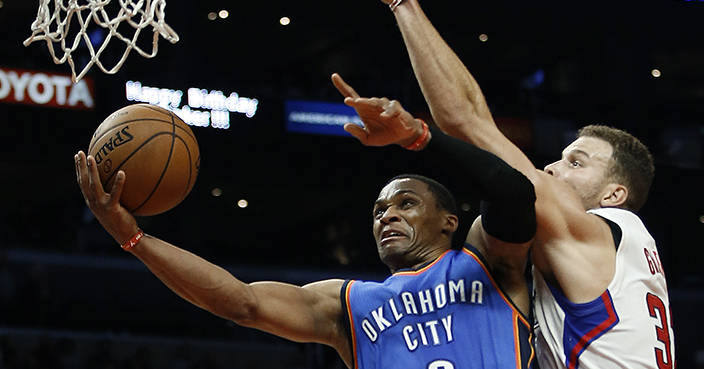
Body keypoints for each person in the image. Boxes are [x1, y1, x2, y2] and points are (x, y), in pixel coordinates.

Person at [74, 80, 537, 368]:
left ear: (450, 221)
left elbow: (515, 192)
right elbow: (242, 302)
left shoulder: (487, 261)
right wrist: (133, 238)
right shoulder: (349, 304)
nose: (388, 215)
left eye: (406, 203)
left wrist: (419, 137)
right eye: (378, 211)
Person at [374, 0, 675, 368]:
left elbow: (464, 120)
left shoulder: (585, 232)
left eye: (576, 163)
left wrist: (402, 5)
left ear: (614, 195)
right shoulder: (632, 251)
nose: (551, 168)